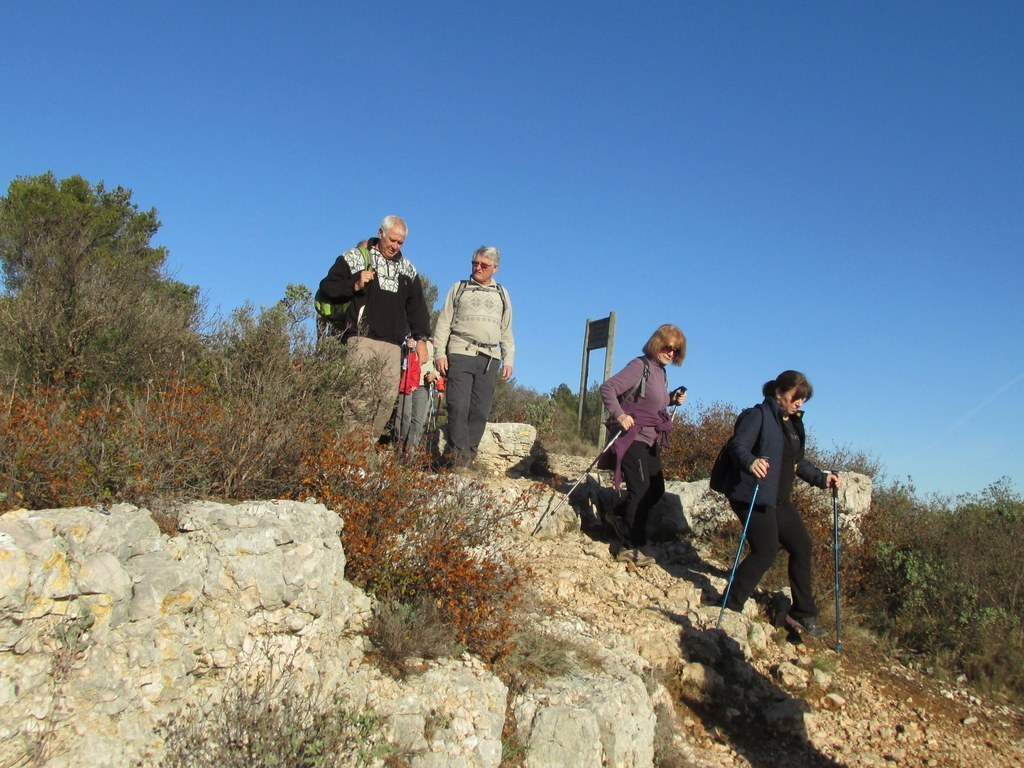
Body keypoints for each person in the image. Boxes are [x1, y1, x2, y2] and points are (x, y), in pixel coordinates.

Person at [722, 370, 841, 638]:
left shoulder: (793, 424)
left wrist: (823, 479)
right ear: (779, 392)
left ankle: (802, 613)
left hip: (778, 498)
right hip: (751, 494)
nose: (799, 403)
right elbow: (737, 446)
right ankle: (730, 603)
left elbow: (797, 462)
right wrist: (751, 462)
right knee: (765, 551)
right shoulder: (758, 416)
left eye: (803, 399)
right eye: (795, 397)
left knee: (802, 547)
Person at [317, 216, 431, 441]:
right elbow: (327, 286)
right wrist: (355, 284)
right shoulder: (355, 257)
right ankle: (350, 452)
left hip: (392, 345)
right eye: (392, 240)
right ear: (381, 233)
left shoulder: (408, 268)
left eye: (400, 242)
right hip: (361, 339)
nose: (395, 246)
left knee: (386, 400)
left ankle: (365, 450)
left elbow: (417, 306)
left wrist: (421, 339)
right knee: (358, 398)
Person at [599, 325, 688, 567]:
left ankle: (618, 515)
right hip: (632, 438)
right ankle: (629, 546)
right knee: (641, 489)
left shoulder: (661, 372)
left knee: (656, 489)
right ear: (656, 343)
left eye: (676, 350)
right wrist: (619, 414)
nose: (670, 352)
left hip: (650, 439)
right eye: (667, 347)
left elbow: (651, 403)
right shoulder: (641, 366)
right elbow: (608, 388)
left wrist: (671, 400)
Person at [433, 246, 514, 468]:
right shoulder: (459, 288)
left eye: (484, 265)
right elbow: (443, 323)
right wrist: (440, 353)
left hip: (490, 358)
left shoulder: (502, 294)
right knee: (458, 405)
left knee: (480, 411)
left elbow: (506, 329)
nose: (477, 268)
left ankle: (467, 456)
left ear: (495, 268)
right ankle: (459, 460)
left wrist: (509, 359)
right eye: (475, 263)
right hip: (460, 352)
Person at [394, 336, 438, 453]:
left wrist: (434, 375)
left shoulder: (433, 344)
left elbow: (439, 363)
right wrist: (407, 347)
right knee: (403, 416)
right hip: (406, 382)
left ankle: (410, 453)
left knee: (418, 420)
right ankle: (398, 448)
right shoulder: (407, 339)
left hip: (424, 385)